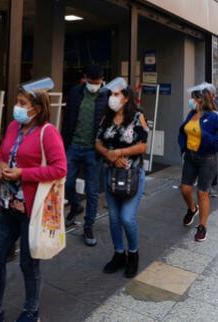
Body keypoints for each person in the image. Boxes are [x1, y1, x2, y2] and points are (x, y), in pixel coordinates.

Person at [0, 78, 66, 322]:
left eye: (22, 102)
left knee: (29, 264)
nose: (17, 106)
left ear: (36, 108)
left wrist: (23, 173)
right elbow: (1, 155)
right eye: (17, 101)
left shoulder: (48, 132)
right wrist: (0, 164)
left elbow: (60, 168)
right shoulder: (14, 126)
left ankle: (31, 311)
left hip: (31, 209)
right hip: (7, 206)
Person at [96, 78, 148, 278]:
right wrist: (108, 154)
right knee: (113, 218)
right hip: (110, 174)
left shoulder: (137, 116)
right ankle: (119, 254)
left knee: (127, 217)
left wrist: (119, 153)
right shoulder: (106, 118)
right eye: (111, 94)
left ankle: (133, 253)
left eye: (116, 94)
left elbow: (143, 145)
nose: (112, 98)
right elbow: (98, 142)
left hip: (132, 175)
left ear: (126, 98)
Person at [178, 85, 218, 241]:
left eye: (193, 98)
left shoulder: (213, 116)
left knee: (202, 193)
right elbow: (184, 131)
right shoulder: (191, 114)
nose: (190, 101)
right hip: (190, 157)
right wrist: (183, 147)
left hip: (207, 159)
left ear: (201, 100)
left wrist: (212, 140)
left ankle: (202, 226)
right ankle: (192, 209)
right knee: (185, 189)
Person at [61, 64, 109, 245]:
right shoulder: (75, 92)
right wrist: (62, 144)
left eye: (97, 82)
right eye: (91, 82)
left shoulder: (106, 96)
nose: (94, 85)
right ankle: (75, 205)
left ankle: (88, 226)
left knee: (92, 190)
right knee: (66, 182)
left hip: (93, 150)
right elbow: (67, 120)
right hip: (72, 146)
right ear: (85, 79)